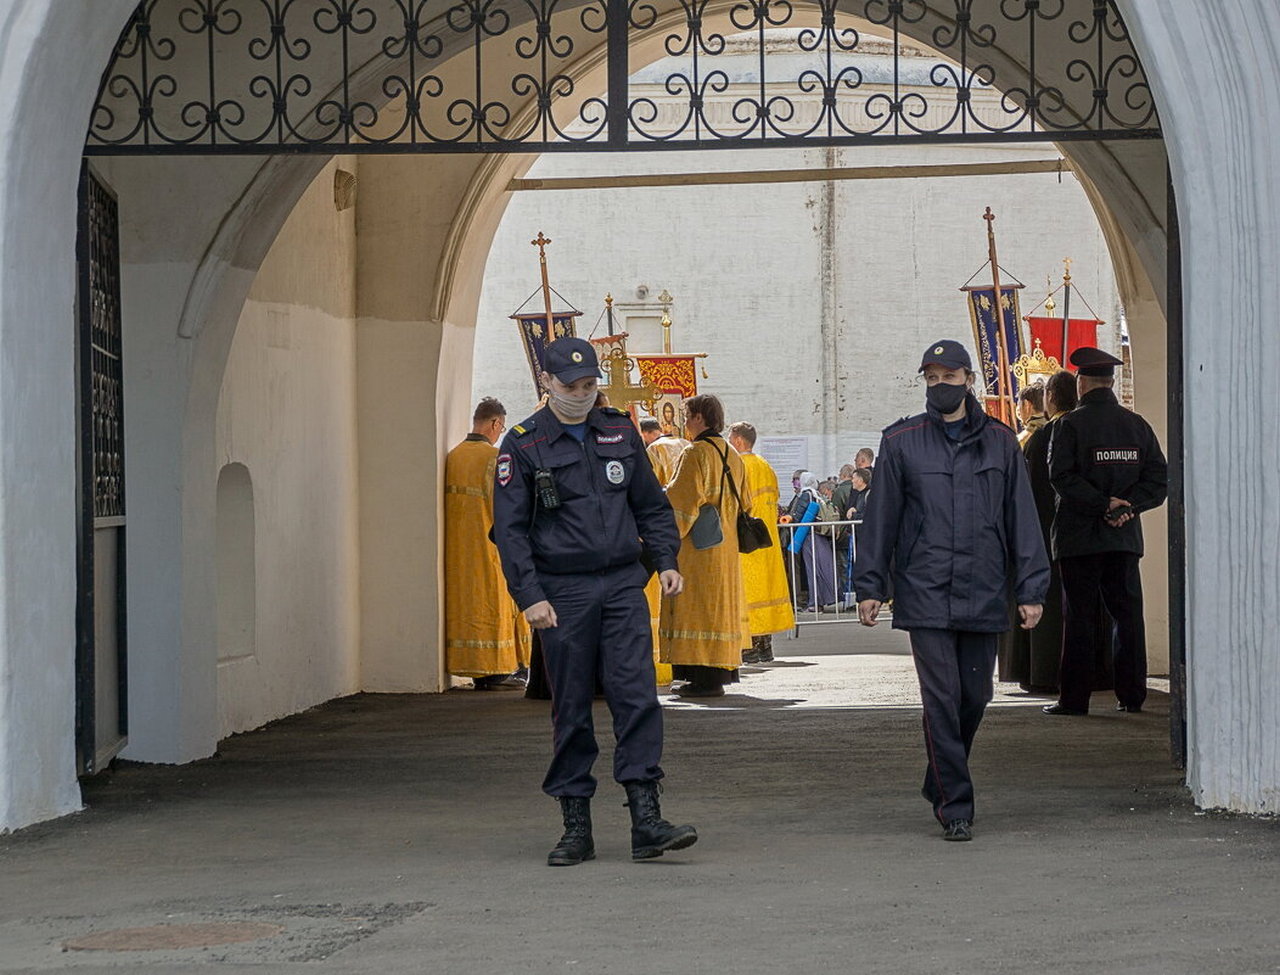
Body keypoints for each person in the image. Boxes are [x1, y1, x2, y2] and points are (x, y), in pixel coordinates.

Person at [491, 337, 697, 866]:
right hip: (562, 592)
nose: (582, 394)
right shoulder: (523, 444)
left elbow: (650, 506)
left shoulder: (619, 431)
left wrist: (666, 559)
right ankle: (575, 826)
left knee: (638, 697)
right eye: (572, 386)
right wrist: (530, 595)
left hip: (623, 583)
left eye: (589, 385)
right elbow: (509, 532)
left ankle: (646, 819)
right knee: (572, 707)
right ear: (547, 383)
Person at [854, 339, 1049, 841]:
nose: (940, 386)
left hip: (984, 587)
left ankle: (938, 777)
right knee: (941, 698)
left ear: (969, 380)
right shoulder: (902, 441)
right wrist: (870, 584)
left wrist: (1032, 588)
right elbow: (881, 519)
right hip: (925, 588)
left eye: (949, 377)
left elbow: (1022, 519)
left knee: (975, 696)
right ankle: (955, 806)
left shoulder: (1002, 443)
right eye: (932, 378)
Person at [1042, 347, 1168, 716]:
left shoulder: (1068, 426)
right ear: (1111, 383)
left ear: (1081, 383)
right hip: (1122, 538)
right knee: (1127, 616)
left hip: (1079, 538)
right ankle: (1132, 695)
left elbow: (1060, 477)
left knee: (1079, 618)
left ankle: (1074, 699)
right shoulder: (1137, 425)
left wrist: (1102, 504)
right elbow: (1159, 481)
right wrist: (1127, 508)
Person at [659, 394, 752, 698]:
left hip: (699, 550)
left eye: (687, 416)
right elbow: (746, 502)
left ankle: (701, 677)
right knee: (719, 610)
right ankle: (718, 674)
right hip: (726, 547)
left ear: (700, 417)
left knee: (697, 609)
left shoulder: (695, 453)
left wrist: (660, 531)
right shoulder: (733, 454)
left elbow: (682, 504)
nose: (685, 423)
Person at [999, 370, 1079, 692]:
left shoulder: (1037, 439)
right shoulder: (1079, 431)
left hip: (1040, 534)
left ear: (1048, 399)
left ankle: (1040, 672)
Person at [443, 397, 530, 689]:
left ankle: (475, 669)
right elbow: (507, 507)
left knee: (468, 606)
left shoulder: (453, 457)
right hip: (491, 548)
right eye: (501, 428)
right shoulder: (495, 458)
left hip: (458, 551)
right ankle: (497, 669)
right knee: (496, 605)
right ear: (494, 423)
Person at [728, 421, 795, 664]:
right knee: (765, 590)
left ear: (738, 440)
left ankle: (750, 646)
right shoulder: (765, 466)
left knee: (748, 593)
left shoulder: (739, 465)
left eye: (730, 438)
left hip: (746, 541)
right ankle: (765, 645)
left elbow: (733, 502)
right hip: (766, 539)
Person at [645, 418, 690, 488]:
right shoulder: (685, 442)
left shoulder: (653, 448)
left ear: (644, 433)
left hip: (667, 492)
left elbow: (650, 478)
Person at [1017, 383, 1048, 448]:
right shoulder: (1059, 430)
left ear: (1027, 405)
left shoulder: (1021, 441)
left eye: (1019, 405)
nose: (1018, 410)